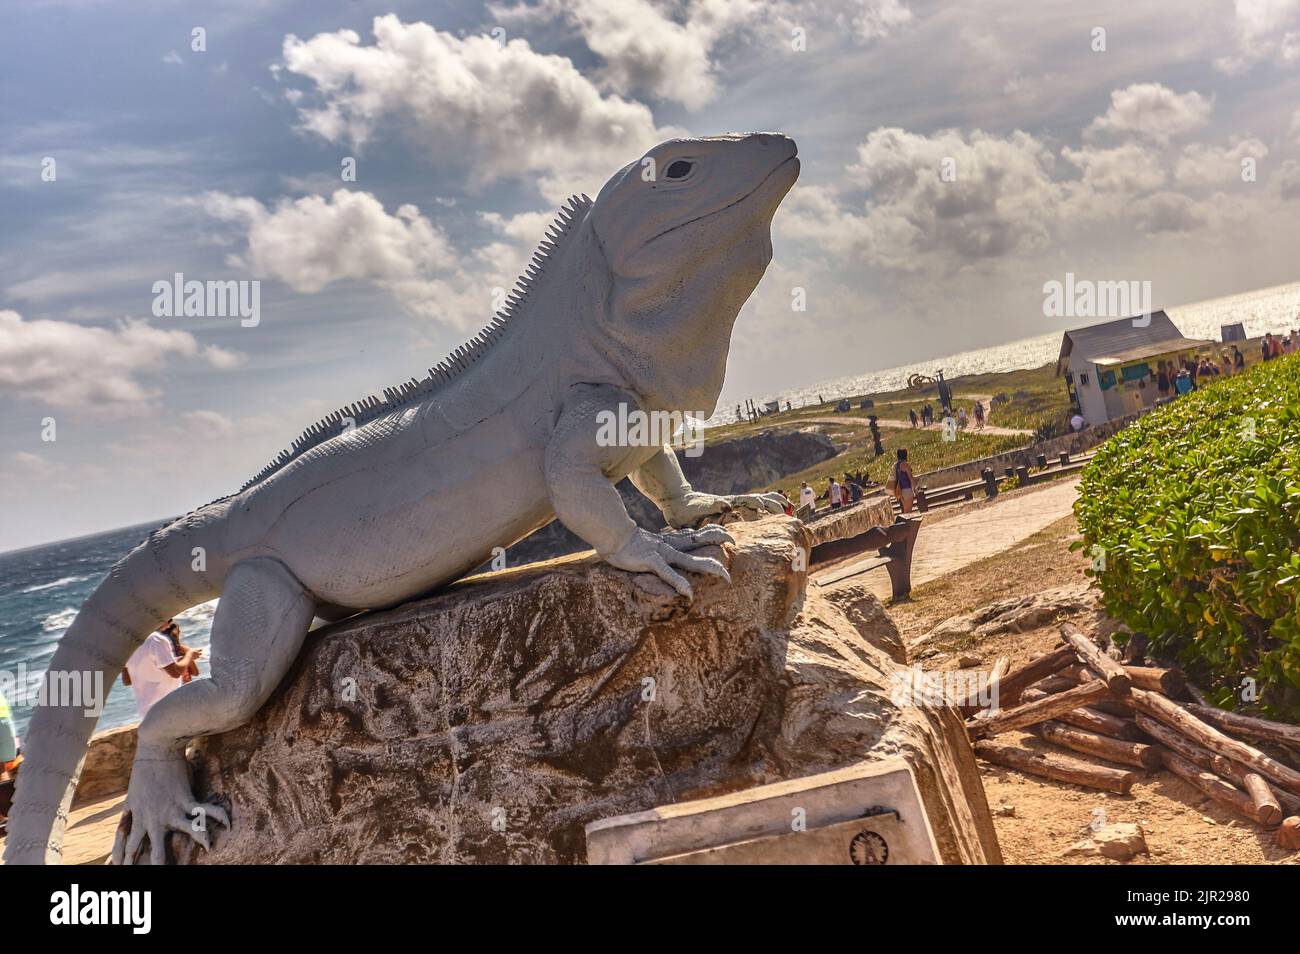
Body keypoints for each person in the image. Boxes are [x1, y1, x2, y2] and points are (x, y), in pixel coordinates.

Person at [123, 622, 203, 718]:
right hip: (168, 710)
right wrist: (190, 655)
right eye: (169, 620)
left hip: (147, 715)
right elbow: (176, 673)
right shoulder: (156, 641)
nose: (169, 625)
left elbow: (127, 681)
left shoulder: (127, 644)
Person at [892, 449, 916, 513]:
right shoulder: (905, 464)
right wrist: (915, 488)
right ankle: (908, 523)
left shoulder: (895, 465)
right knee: (908, 511)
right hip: (907, 489)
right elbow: (910, 477)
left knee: (904, 510)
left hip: (899, 490)